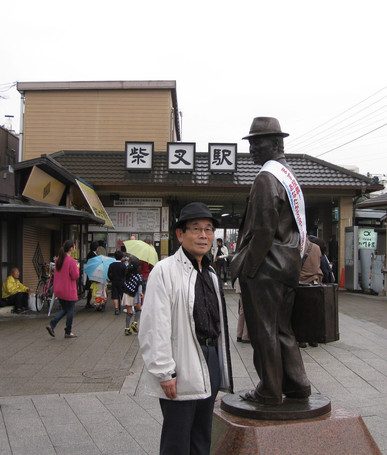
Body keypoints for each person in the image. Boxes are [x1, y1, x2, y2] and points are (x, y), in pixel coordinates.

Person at [139, 202, 233, 455]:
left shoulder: (211, 274)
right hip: (180, 363)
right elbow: (153, 325)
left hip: (209, 359)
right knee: (177, 438)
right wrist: (164, 372)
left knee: (202, 434)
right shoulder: (165, 271)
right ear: (180, 234)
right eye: (196, 229)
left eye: (209, 229)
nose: (204, 235)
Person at [231, 117, 311, 405]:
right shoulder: (288, 175)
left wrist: (249, 269)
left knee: (264, 329)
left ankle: (269, 388)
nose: (252, 148)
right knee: (282, 328)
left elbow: (263, 230)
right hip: (288, 263)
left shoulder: (267, 177)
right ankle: (297, 384)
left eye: (257, 142)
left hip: (266, 266)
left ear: (276, 143)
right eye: (251, 142)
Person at [46, 240, 79, 338]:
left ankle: (52, 325)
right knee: (70, 310)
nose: (75, 248)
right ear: (71, 248)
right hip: (68, 290)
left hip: (59, 289)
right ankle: (68, 331)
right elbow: (75, 276)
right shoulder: (71, 261)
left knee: (65, 309)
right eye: (74, 247)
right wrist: (77, 267)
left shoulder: (58, 259)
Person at [298, 236, 323, 348]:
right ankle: (313, 338)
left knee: (301, 312)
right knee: (314, 312)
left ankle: (302, 339)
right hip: (315, 283)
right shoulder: (317, 248)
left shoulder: (298, 248)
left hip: (301, 283)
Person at [122, 256, 142, 335]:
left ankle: (127, 328)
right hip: (136, 295)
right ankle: (134, 323)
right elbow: (139, 286)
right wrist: (141, 293)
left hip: (127, 294)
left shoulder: (127, 273)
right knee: (138, 309)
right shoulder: (138, 275)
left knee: (129, 312)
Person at [107, 250, 127, 315]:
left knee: (115, 295)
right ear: (122, 257)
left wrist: (111, 279)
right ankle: (124, 306)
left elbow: (109, 274)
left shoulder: (111, 265)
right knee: (122, 294)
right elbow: (125, 274)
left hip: (114, 282)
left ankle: (116, 309)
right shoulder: (123, 265)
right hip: (121, 282)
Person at [235, 278, 249, 343]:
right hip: (247, 285)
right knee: (248, 311)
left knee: (242, 310)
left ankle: (239, 334)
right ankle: (246, 335)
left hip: (240, 285)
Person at [85, 241, 99, 309]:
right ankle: (89, 302)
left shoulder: (90, 254)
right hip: (92, 273)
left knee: (91, 287)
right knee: (92, 287)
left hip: (90, 272)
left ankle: (88, 302)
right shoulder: (92, 255)